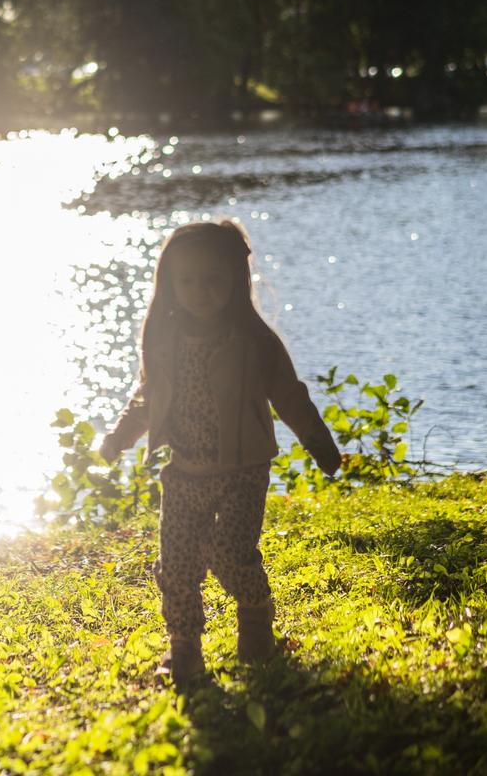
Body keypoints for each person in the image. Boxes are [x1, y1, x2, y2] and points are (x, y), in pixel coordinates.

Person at [99, 220, 342, 682]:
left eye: (213, 279)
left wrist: (319, 443)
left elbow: (289, 395)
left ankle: (256, 616)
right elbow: (147, 398)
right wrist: (117, 439)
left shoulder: (253, 341)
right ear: (169, 283)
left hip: (242, 472)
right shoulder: (165, 339)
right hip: (184, 473)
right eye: (187, 280)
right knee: (177, 564)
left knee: (231, 552)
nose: (200, 291)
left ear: (235, 278)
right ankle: (184, 648)